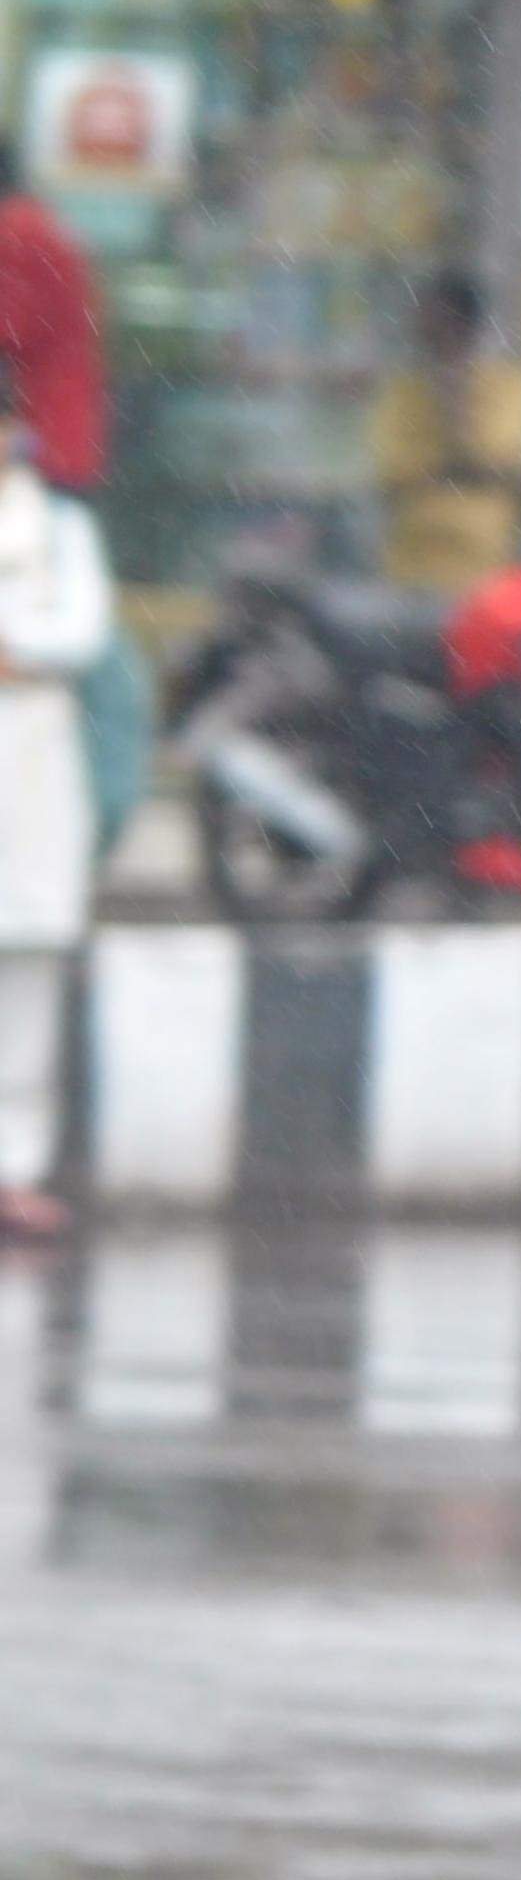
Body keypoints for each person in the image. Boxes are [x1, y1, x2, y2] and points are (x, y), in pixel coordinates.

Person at [0, 381, 113, 1239]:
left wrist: (17, 650)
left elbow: (82, 634)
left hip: (32, 757)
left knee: (27, 975)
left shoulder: (61, 529)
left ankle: (14, 1170)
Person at [369, 273, 521, 595]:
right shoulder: (405, 390)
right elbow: (390, 471)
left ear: (467, 326)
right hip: (411, 562)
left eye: (443, 326)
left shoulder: (508, 386)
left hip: (480, 563)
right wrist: (454, 468)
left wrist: (456, 404)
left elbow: (495, 455)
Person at [0, 140, 104, 495]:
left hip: (40, 440)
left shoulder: (15, 228)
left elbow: (9, 330)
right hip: (58, 431)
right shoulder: (35, 221)